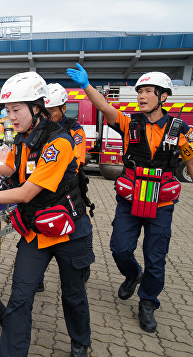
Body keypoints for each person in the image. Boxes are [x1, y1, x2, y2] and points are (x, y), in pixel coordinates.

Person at [0, 72, 94, 357]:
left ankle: (80, 343)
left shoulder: (59, 142)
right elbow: (8, 169)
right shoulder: (22, 140)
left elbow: (25, 194)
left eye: (16, 109)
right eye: (7, 111)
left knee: (74, 296)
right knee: (20, 298)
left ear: (37, 107)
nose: (11, 117)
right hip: (36, 232)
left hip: (70, 231)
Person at [67, 64, 193, 333]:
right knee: (120, 249)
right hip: (130, 198)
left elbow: (192, 166)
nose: (142, 96)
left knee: (155, 257)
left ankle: (148, 302)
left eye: (148, 91)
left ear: (163, 96)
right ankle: (133, 274)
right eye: (140, 92)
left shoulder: (180, 129)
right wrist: (87, 86)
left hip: (162, 203)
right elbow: (104, 107)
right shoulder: (129, 122)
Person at [35, 83, 91, 293]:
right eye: (45, 112)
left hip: (67, 189)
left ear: (63, 109)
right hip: (40, 187)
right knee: (38, 229)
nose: (48, 116)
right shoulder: (39, 130)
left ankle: (80, 269)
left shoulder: (74, 130)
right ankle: (37, 277)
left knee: (74, 231)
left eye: (52, 112)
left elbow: (77, 160)